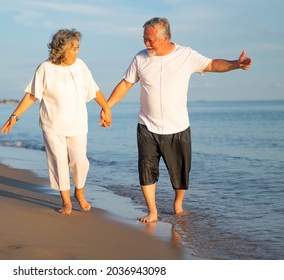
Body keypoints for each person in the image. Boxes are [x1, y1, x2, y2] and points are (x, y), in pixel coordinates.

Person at [104, 17, 252, 223]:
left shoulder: (186, 55)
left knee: (181, 172)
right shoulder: (140, 58)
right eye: (144, 39)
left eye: (150, 39)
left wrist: (236, 64)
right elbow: (125, 84)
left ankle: (178, 205)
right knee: (146, 170)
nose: (146, 43)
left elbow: (212, 64)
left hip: (178, 126)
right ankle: (152, 211)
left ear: (165, 38)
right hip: (147, 125)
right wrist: (107, 106)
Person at [0, 29, 111, 215]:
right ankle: (66, 201)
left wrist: (106, 108)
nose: (77, 52)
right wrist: (14, 116)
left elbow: (94, 89)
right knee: (58, 162)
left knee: (80, 161)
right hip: (52, 125)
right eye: (73, 48)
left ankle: (79, 193)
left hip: (77, 124)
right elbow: (32, 95)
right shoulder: (46, 68)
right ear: (62, 49)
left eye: (78, 48)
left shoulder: (81, 66)